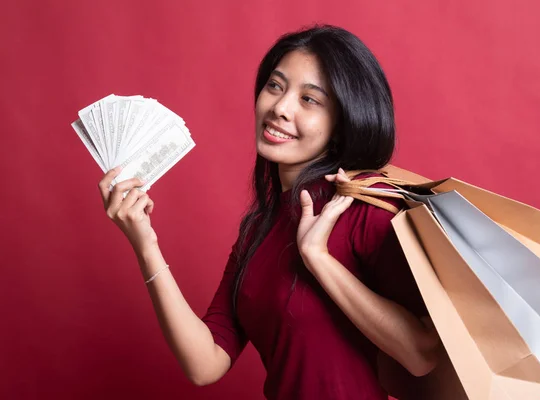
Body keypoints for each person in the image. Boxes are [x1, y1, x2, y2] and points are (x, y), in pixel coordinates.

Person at [98, 25, 440, 400]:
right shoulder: (258, 229)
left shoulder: (365, 205)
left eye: (310, 99)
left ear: (343, 124)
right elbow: (206, 362)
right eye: (275, 86)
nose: (280, 107)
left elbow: (421, 354)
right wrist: (146, 244)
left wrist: (318, 259)